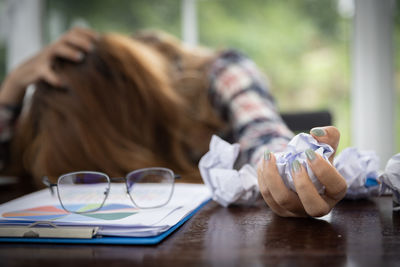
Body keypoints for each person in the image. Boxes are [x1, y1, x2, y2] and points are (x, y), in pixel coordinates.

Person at [0, 27, 346, 217]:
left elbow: (263, 133)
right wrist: (11, 90)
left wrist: (286, 177)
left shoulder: (220, 73)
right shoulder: (54, 108)